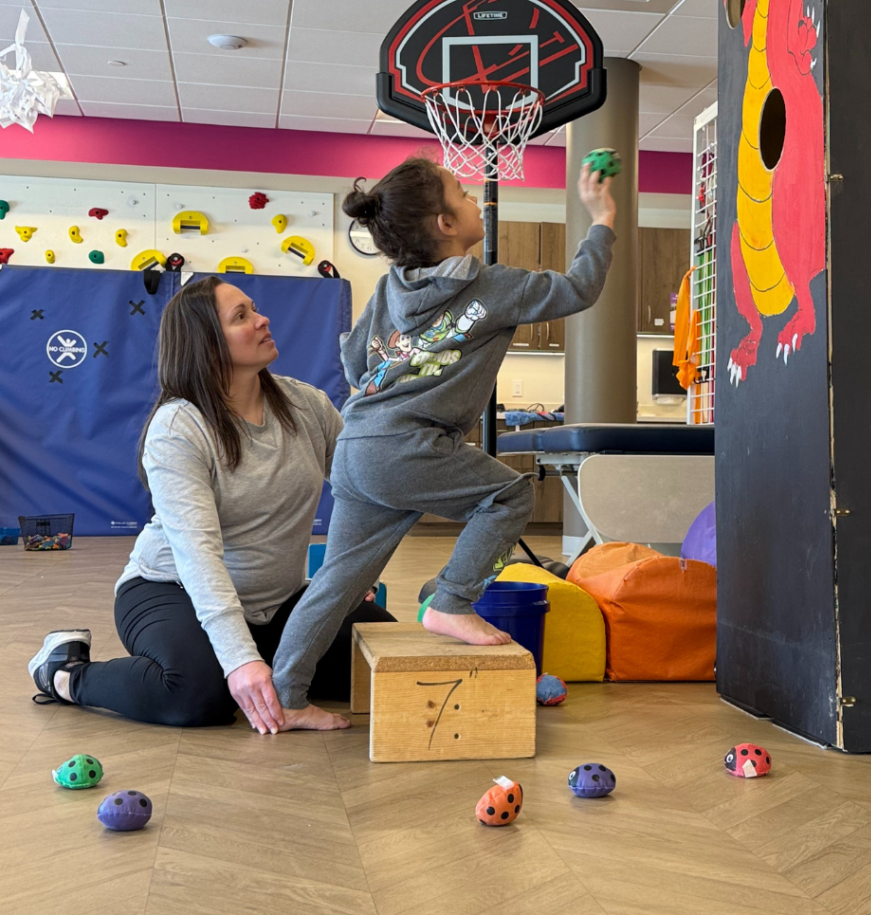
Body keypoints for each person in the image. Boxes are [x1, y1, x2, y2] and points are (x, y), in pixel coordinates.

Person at [270, 156, 616, 718]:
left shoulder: (387, 289)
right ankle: (451, 601)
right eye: (462, 191)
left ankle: (286, 698)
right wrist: (601, 219)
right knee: (509, 495)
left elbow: (354, 359)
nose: (476, 197)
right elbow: (578, 288)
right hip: (409, 447)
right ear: (445, 224)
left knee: (334, 584)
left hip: (356, 447)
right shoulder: (495, 287)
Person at [28, 276, 393, 734]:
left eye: (254, 309)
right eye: (241, 316)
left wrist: (351, 574)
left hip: (277, 603)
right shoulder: (178, 428)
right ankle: (66, 672)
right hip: (171, 589)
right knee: (197, 694)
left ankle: (256, 660)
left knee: (383, 655)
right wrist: (239, 659)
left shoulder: (308, 405)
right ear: (206, 344)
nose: (262, 319)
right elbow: (197, 554)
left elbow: (365, 489)